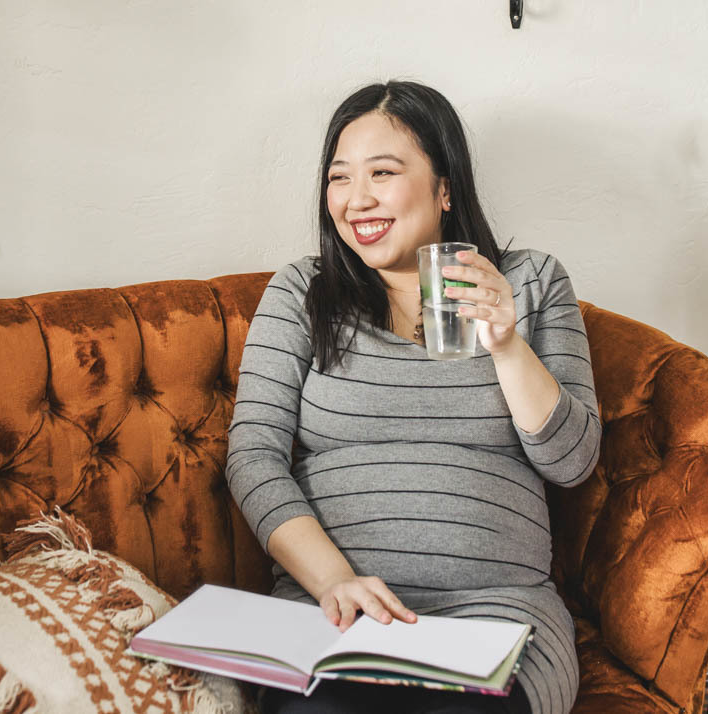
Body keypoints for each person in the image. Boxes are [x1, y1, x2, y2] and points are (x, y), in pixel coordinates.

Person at [225, 80, 601, 714]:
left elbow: (573, 462)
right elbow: (253, 455)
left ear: (444, 186)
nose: (356, 199)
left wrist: (507, 344)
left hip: (496, 613)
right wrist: (334, 581)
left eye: (383, 173)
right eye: (339, 178)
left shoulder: (532, 282)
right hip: (338, 612)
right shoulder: (302, 292)